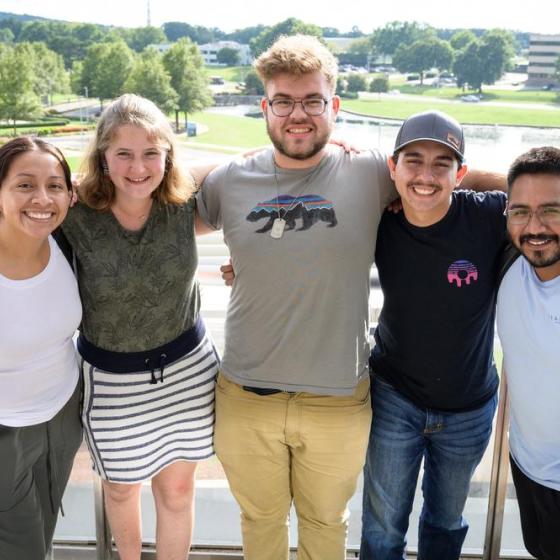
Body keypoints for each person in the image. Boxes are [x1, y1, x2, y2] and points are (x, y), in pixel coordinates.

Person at [198, 36, 502, 560]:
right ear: (264, 107)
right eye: (284, 102)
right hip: (246, 395)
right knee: (260, 526)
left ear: (333, 106)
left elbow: (443, 181)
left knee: (328, 529)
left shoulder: (369, 172)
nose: (299, 114)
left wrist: (533, 193)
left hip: (337, 399)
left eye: (312, 101)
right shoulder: (229, 179)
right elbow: (157, 217)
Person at [60, 94, 219, 560]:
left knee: (176, 494)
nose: (138, 167)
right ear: (103, 158)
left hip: (189, 373)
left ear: (168, 155)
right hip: (111, 380)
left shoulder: (181, 201)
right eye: (123, 153)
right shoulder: (73, 210)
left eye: (151, 152)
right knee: (122, 492)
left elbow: (258, 164)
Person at [360, 110, 507, 560]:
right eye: (413, 162)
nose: (425, 176)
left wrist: (464, 179)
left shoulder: (489, 217)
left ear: (461, 173)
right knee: (383, 527)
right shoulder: (378, 219)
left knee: (445, 524)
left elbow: (541, 189)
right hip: (394, 398)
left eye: (442, 164)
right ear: (392, 168)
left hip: (469, 406)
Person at [0, 137, 83, 559]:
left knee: (44, 533)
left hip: (62, 415)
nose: (42, 199)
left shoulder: (64, 239)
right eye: (24, 185)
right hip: (5, 430)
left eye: (54, 186)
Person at [497, 146, 560, 560]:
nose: (535, 226)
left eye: (552, 210)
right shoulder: (508, 262)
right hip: (527, 464)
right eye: (521, 211)